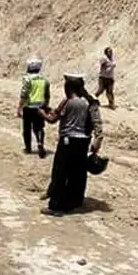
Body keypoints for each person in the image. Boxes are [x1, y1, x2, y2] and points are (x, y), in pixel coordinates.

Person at [38, 74, 103, 216]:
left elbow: (52, 119)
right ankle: (75, 202)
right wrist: (98, 140)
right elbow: (97, 123)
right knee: (78, 173)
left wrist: (41, 112)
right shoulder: (90, 102)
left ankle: (56, 206)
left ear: (68, 88)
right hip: (83, 141)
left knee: (60, 173)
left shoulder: (67, 102)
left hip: (67, 142)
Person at [17, 56, 50, 158]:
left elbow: (24, 94)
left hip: (29, 106)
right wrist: (46, 105)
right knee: (39, 127)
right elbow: (47, 94)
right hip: (40, 107)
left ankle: (28, 148)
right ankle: (40, 142)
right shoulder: (45, 79)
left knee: (27, 128)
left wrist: (19, 107)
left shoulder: (27, 79)